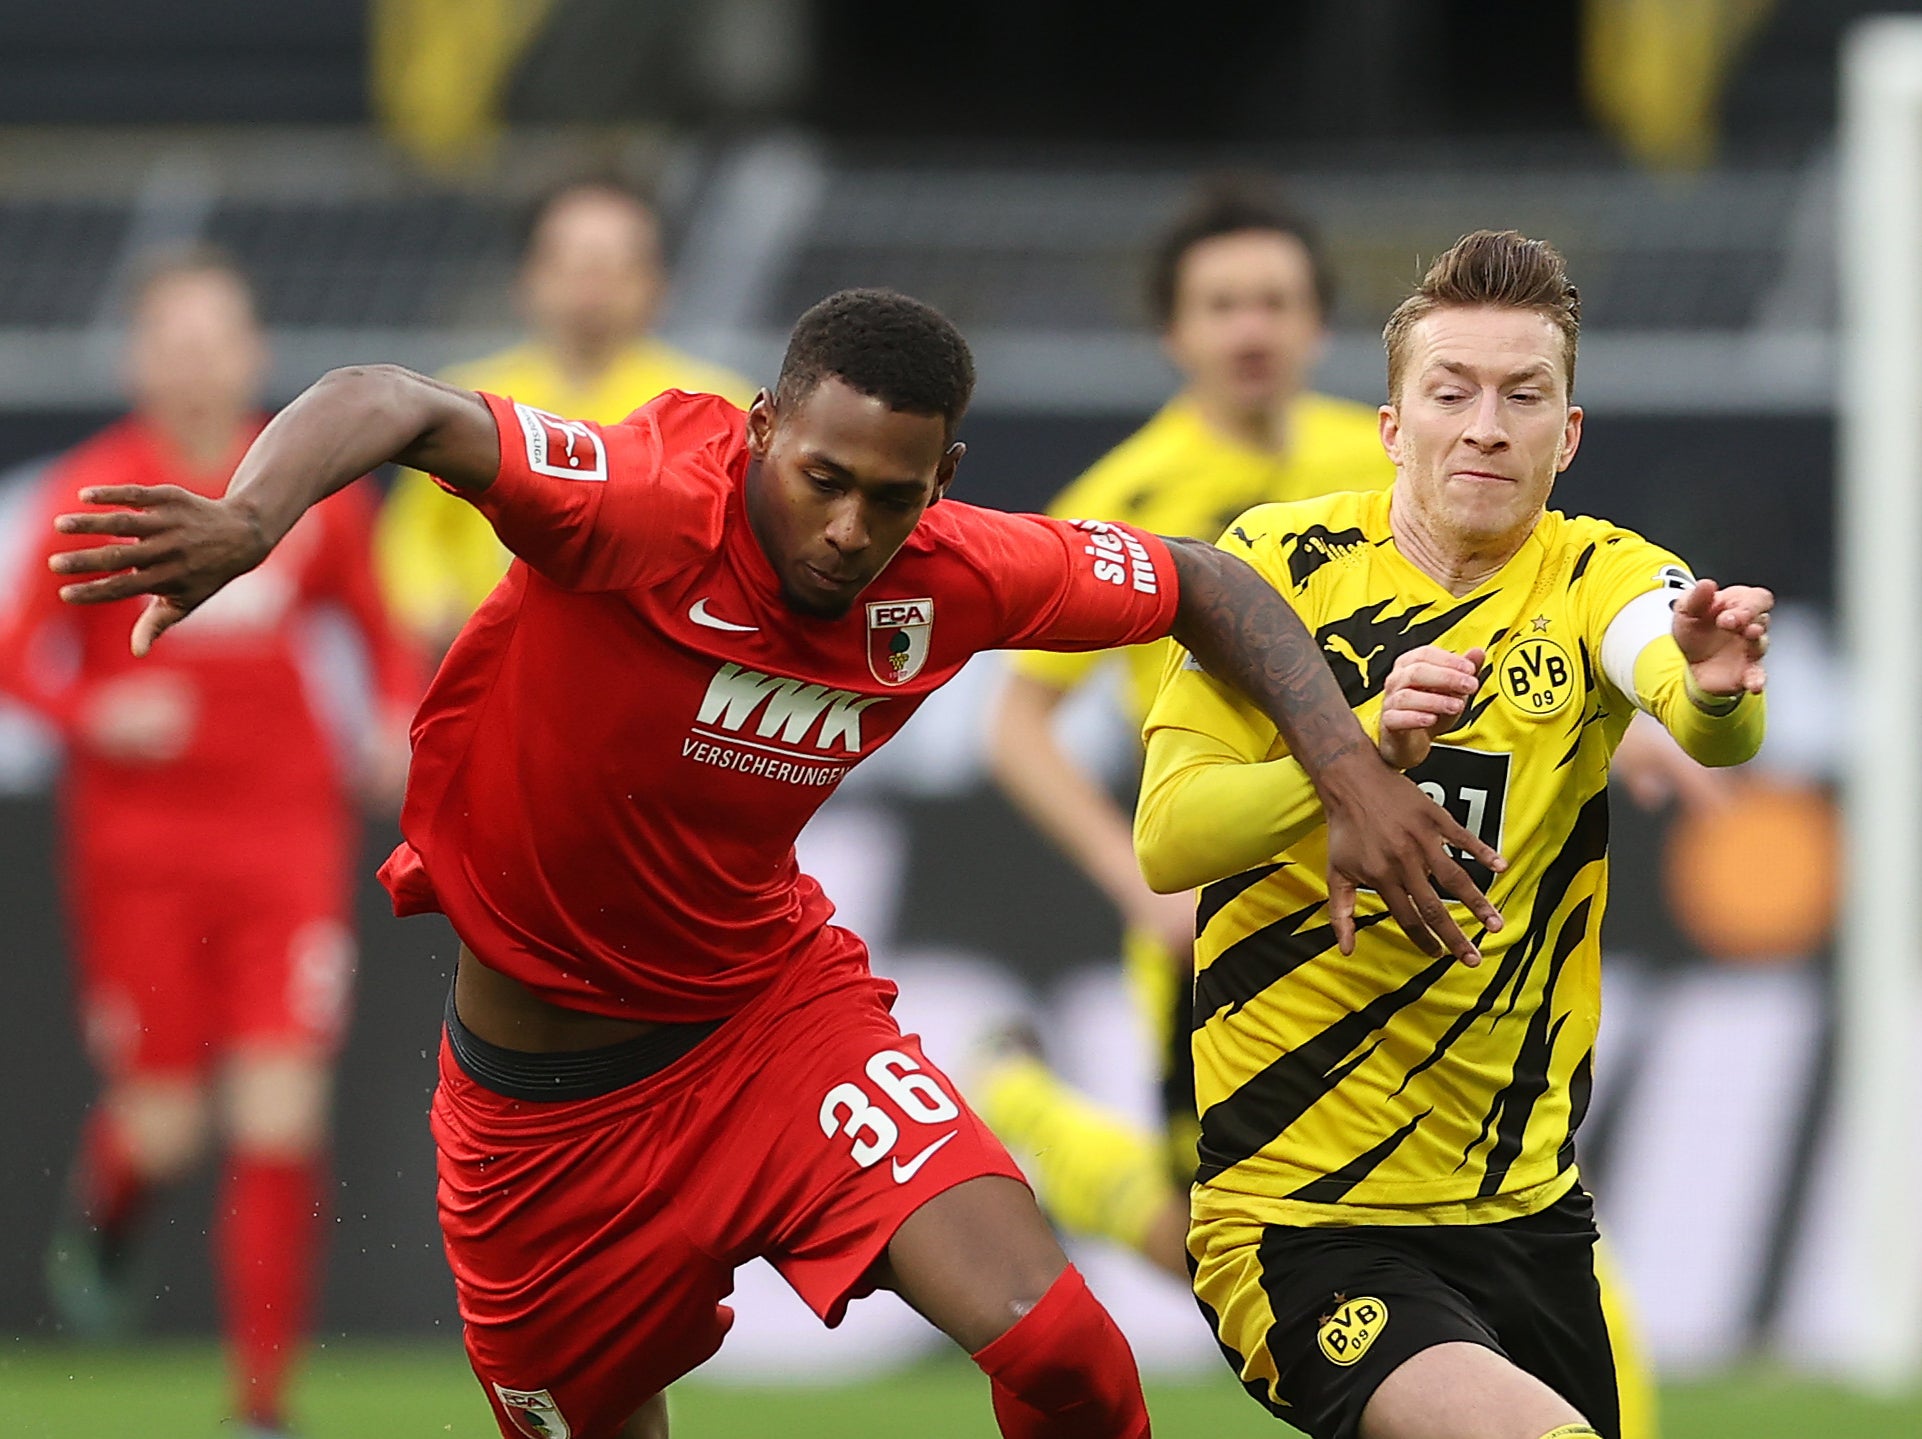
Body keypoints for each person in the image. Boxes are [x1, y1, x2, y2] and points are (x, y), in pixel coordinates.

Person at [47, 287, 1504, 1439]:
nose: (850, 528)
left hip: (770, 1032)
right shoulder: (632, 502)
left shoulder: (954, 569)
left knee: (1069, 1355)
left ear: (943, 478)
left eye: (893, 494)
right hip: (537, 1131)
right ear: (758, 429)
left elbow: (1201, 580)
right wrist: (250, 519)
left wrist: (1346, 766)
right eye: (820, 478)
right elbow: (389, 398)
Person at [1134, 232, 1769, 1439]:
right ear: (1390, 425)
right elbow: (1167, 835)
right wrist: (1349, 754)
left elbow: (1682, 688)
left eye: (1521, 395)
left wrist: (1716, 687)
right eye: (1451, 391)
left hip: (1522, 1210)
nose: (1486, 425)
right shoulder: (1274, 566)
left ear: (1565, 433)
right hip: (1299, 1209)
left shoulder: (1596, 574)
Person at [0, 249, 422, 1438]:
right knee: (168, 1120)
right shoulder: (95, 493)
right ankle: (115, 1199)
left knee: (280, 1109)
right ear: (138, 357)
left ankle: (260, 1405)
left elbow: (377, 630)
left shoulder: (303, 485)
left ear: (249, 353)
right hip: (138, 852)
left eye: (215, 339)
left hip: (283, 835)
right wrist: (97, 711)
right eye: (170, 340)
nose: (194, 363)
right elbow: (17, 659)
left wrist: (392, 709)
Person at [982, 181, 1391, 1278]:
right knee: (1213, 1248)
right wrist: (1135, 881)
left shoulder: (1394, 468)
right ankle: (1034, 1117)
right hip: (1213, 912)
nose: (1249, 328)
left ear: (1316, 321)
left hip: (1382, 886)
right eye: (1220, 305)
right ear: (1174, 330)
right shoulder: (1122, 499)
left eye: (1272, 301)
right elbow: (1017, 723)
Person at [375, 176, 753, 649]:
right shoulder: (466, 398)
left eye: (616, 268)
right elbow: (414, 532)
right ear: (528, 276)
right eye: (572, 265)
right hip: (494, 663)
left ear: (658, 283)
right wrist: (430, 606)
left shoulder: (715, 408)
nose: (592, 289)